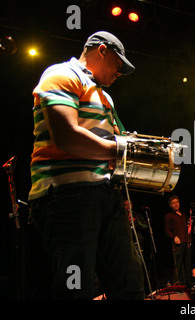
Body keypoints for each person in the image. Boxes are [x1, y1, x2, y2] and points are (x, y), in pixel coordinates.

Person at [28, 31, 144, 299]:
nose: (120, 72)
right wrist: (120, 148)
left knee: (130, 286)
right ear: (101, 50)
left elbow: (115, 146)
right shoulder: (61, 74)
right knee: (75, 288)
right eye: (118, 64)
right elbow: (67, 137)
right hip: (67, 196)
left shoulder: (105, 97)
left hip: (104, 197)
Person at [164, 195, 195, 289]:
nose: (176, 204)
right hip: (178, 243)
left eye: (177, 202)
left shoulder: (184, 215)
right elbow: (167, 230)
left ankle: (190, 284)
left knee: (188, 264)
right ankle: (178, 285)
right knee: (178, 264)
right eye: (173, 203)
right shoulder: (169, 216)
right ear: (170, 205)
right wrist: (174, 237)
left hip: (187, 241)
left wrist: (189, 225)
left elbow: (185, 227)